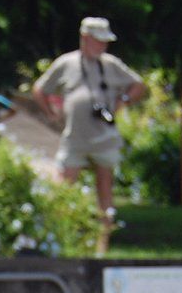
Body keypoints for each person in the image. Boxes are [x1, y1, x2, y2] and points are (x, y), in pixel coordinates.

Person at [33, 18, 143, 255]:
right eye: (99, 41)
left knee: (105, 187)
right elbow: (40, 88)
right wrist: (51, 112)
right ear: (85, 38)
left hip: (104, 137)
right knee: (65, 187)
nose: (103, 46)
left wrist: (123, 101)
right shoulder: (67, 63)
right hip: (74, 137)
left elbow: (138, 85)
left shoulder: (111, 64)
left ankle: (102, 245)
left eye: (105, 42)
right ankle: (62, 238)